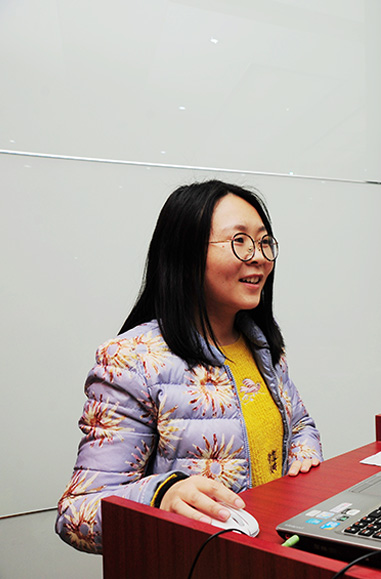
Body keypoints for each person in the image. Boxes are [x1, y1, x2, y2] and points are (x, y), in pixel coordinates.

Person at [56, 180, 322, 553]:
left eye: (264, 242)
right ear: (186, 253)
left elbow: (299, 425)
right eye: (240, 241)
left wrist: (303, 453)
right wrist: (162, 496)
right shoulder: (132, 361)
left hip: (267, 557)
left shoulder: (263, 347)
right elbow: (77, 515)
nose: (259, 257)